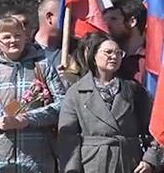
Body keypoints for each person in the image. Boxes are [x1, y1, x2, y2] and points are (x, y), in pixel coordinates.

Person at [0, 17, 65, 172]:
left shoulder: (42, 65)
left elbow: (63, 105)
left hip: (36, 161)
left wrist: (28, 119)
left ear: (25, 37)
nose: (13, 40)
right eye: (6, 37)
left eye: (17, 35)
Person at [58, 34, 162, 172]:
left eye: (119, 53)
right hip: (91, 164)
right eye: (108, 52)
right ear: (93, 55)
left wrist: (150, 160)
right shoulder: (76, 92)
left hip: (128, 163)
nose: (114, 56)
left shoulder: (134, 90)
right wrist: (72, 170)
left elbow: (156, 127)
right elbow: (68, 138)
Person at [103, 0, 147, 84]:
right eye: (104, 20)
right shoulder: (103, 58)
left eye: (113, 19)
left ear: (132, 21)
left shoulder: (154, 61)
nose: (106, 25)